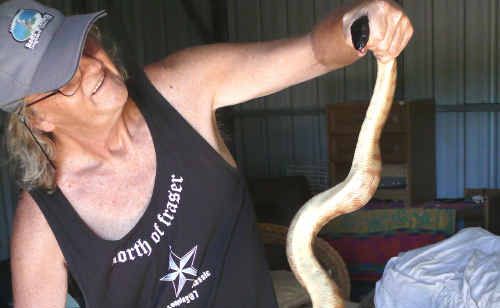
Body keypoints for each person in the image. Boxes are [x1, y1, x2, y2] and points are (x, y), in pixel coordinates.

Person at [1, 0, 413, 307]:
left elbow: (313, 51)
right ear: (36, 119)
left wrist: (359, 24)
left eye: (84, 46)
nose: (92, 68)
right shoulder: (42, 224)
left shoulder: (182, 90)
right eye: (62, 76)